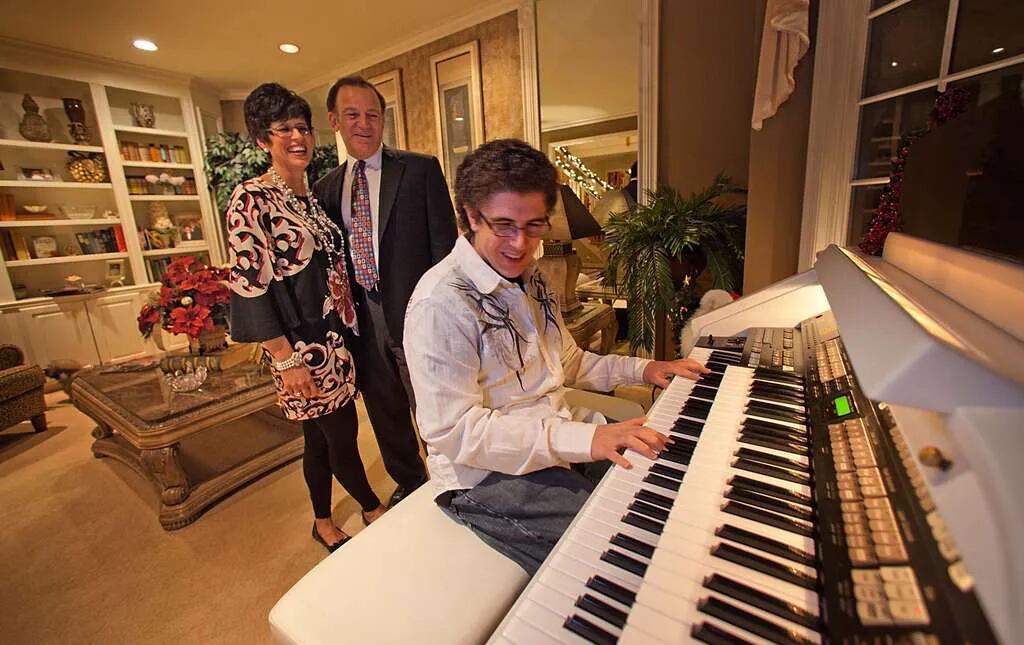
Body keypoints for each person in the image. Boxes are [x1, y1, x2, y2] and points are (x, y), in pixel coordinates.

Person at [403, 139, 710, 575]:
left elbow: (569, 362)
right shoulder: (440, 303)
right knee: (629, 553)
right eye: (504, 225)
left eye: (534, 226)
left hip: (553, 435)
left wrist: (647, 368)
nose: (520, 244)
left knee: (669, 483)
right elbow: (456, 432)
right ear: (471, 216)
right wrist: (585, 440)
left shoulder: (533, 279)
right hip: (484, 476)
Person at [226, 83, 386, 553]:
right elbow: (249, 283)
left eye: (303, 127)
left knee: (317, 441)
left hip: (336, 338)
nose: (298, 137)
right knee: (343, 437)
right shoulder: (251, 199)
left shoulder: (309, 197)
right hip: (301, 350)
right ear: (263, 139)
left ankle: (322, 521)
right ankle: (373, 508)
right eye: (284, 130)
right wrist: (284, 359)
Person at [314, 75, 458, 507]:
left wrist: (449, 312)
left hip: (417, 312)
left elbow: (446, 248)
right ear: (334, 121)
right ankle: (410, 482)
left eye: (372, 115)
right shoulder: (325, 189)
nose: (364, 123)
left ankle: (454, 480)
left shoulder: (419, 170)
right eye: (352, 115)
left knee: (434, 402)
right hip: (360, 317)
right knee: (383, 409)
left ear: (383, 119)